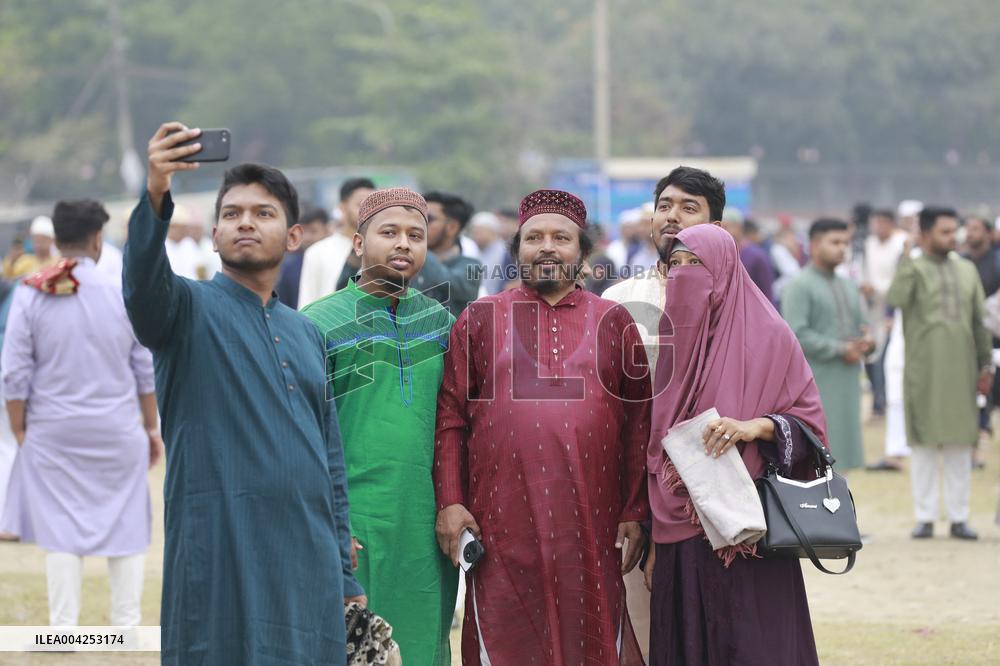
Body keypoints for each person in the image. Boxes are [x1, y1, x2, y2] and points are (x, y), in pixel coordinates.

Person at [122, 123, 363, 663]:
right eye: (231, 214)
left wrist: (344, 572)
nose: (245, 223)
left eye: (263, 213)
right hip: (221, 546)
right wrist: (157, 188)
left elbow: (330, 456)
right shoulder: (184, 310)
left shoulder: (304, 333)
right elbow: (141, 284)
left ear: (294, 235)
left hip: (305, 557)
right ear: (214, 235)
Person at [434, 189, 650, 665]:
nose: (547, 247)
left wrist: (635, 508)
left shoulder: (613, 321)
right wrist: (450, 501)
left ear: (583, 253)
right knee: (507, 633)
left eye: (561, 237)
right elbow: (450, 418)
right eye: (534, 238)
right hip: (501, 516)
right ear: (518, 252)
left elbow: (638, 424)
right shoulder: (482, 318)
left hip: (592, 517)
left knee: (589, 633)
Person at [645, 223, 825, 666]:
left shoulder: (770, 335)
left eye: (697, 264)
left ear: (725, 269)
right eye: (676, 266)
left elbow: (812, 430)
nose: (684, 275)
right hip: (679, 534)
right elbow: (651, 442)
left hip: (749, 530)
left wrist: (755, 427)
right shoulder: (669, 341)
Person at [303, 188, 457, 664]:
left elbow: (457, 425)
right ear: (357, 243)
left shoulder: (442, 324)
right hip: (352, 523)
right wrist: (325, 521)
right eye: (388, 233)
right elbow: (299, 435)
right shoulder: (315, 325)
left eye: (416, 235)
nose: (404, 244)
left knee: (422, 647)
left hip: (424, 527)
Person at [0, 199, 159, 626]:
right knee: (125, 525)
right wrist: (150, 429)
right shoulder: (120, 290)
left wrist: (19, 429)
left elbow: (14, 372)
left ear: (56, 237)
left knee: (62, 532)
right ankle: (126, 626)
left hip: (53, 431)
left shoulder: (31, 290)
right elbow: (144, 371)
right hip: (117, 427)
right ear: (96, 239)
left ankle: (63, 628)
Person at [887, 206, 992, 541]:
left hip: (962, 369)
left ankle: (960, 517)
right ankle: (926, 517)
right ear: (926, 233)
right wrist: (905, 259)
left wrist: (985, 363)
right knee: (924, 445)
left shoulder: (966, 270)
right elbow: (896, 298)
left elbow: (979, 322)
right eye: (945, 232)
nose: (953, 237)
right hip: (924, 370)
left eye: (954, 231)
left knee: (961, 444)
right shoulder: (913, 268)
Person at [782, 219, 871, 472]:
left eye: (845, 243)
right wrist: (841, 349)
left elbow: (860, 327)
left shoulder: (848, 286)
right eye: (835, 242)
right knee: (820, 452)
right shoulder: (799, 286)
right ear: (814, 244)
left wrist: (867, 342)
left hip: (847, 379)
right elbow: (795, 334)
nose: (842, 248)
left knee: (842, 454)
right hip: (816, 381)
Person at [298, 177, 376, 308]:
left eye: (373, 205)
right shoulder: (318, 252)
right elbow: (306, 304)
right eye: (360, 204)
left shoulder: (382, 252)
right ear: (342, 207)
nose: (368, 211)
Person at [860, 209, 906, 426]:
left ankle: (881, 404)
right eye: (876, 222)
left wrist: (891, 309)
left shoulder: (900, 245)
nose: (879, 227)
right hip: (871, 309)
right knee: (869, 355)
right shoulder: (868, 244)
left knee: (883, 358)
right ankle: (878, 401)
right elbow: (863, 272)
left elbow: (900, 280)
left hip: (891, 310)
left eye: (883, 223)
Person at [961, 213, 1000, 461]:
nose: (970, 233)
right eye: (968, 228)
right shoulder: (961, 263)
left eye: (976, 228)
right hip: (966, 336)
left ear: (988, 233)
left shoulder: (997, 262)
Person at [423, 191, 484, 316]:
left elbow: (446, 280)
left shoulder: (471, 267)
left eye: (428, 219)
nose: (419, 224)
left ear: (452, 227)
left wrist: (418, 244)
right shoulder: (411, 261)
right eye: (418, 217)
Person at [276, 207, 328, 308]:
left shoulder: (338, 262)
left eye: (313, 231)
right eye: (304, 232)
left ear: (326, 230)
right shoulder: (290, 268)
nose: (307, 238)